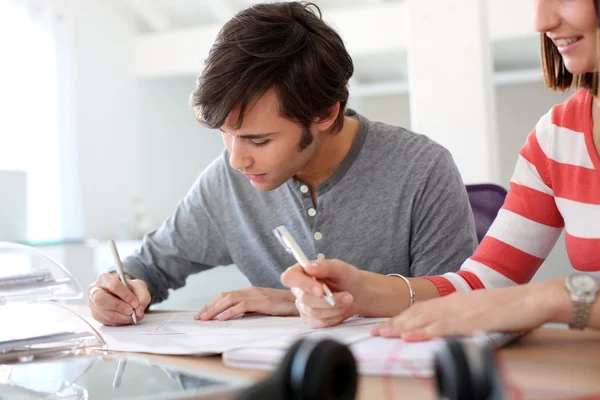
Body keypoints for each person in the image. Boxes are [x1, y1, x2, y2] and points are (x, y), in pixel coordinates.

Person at [86, 1, 477, 326]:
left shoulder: (422, 171)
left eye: (258, 139)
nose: (236, 160)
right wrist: (119, 291)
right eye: (226, 133)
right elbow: (149, 266)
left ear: (324, 114)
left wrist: (300, 302)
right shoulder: (227, 181)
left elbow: (457, 308)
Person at [283, 0, 600, 335]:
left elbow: (512, 299)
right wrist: (362, 292)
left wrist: (549, 299)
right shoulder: (556, 138)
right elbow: (482, 285)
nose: (541, 21)